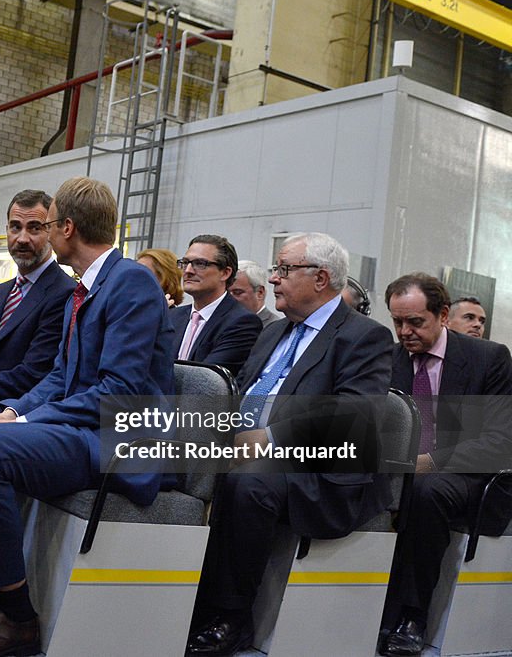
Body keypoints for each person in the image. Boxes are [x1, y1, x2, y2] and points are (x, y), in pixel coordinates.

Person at [0, 177, 175, 656]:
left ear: (66, 227)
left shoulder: (129, 281)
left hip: (117, 438)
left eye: (46, 225)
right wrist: (12, 411)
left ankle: (16, 616)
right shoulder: (85, 287)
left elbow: (120, 392)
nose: (43, 235)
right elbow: (58, 376)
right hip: (78, 426)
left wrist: (27, 423)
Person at [186, 232, 393, 656]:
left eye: (283, 269)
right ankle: (172, 597)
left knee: (248, 483)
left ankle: (229, 617)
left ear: (320, 278)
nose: (274, 279)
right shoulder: (274, 331)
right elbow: (244, 391)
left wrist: (270, 439)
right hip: (246, 448)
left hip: (318, 470)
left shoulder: (364, 337)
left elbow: (355, 416)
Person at [379, 274, 512, 656]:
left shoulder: (488, 358)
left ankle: (411, 614)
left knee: (425, 489)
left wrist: (430, 462)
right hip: (400, 469)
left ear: (442, 315)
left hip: (471, 476)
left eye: (415, 322)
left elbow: (501, 442)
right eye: (397, 322)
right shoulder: (388, 360)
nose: (404, 332)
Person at [0, 190, 75, 403]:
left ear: (51, 231)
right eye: (15, 227)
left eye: (34, 228)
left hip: (14, 410)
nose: (22, 239)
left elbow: (32, 374)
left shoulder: (64, 294)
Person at [171, 234, 261, 375]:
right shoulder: (172, 316)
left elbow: (204, 380)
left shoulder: (242, 323)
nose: (188, 270)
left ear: (225, 273)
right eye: (185, 262)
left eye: (200, 264)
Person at [230, 260, 281, 327]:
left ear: (260, 293)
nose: (229, 298)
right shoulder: (223, 323)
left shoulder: (274, 327)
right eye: (226, 293)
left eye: (237, 293)